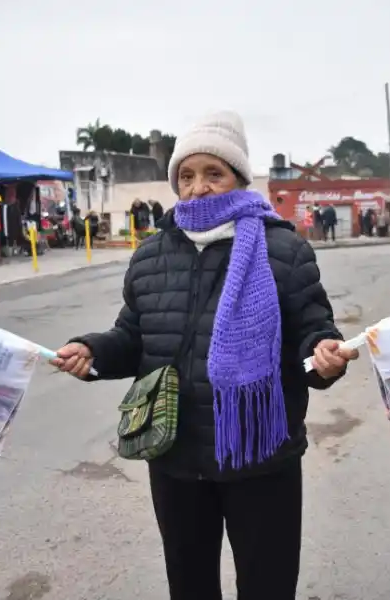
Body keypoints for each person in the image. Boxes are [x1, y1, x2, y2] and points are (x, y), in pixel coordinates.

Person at [52, 111, 358, 600]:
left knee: (267, 585)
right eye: (186, 176)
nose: (198, 188)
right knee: (190, 585)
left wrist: (323, 357)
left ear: (238, 178)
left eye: (213, 174)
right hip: (175, 456)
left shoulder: (283, 249)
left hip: (260, 456)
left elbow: (313, 333)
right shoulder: (152, 255)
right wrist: (92, 351)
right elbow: (134, 337)